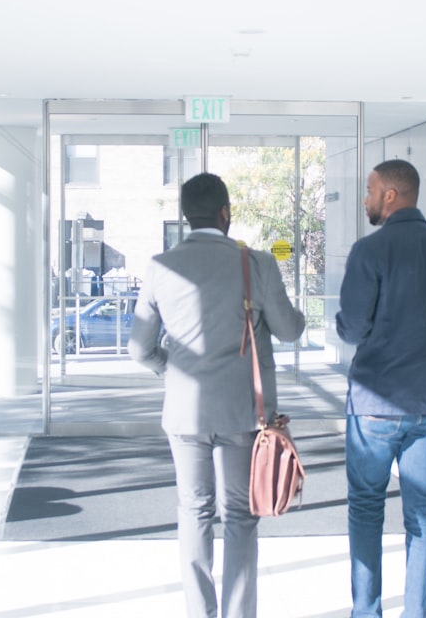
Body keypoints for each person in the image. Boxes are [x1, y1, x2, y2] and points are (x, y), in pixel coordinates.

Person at [128, 172, 305, 618]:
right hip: (242, 412)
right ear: (226, 213)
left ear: (186, 216)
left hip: (184, 413)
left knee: (194, 512)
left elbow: (139, 348)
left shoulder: (159, 267)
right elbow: (289, 330)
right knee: (240, 516)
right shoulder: (257, 263)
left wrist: (169, 368)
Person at [336, 159, 426, 618]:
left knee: (365, 509)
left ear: (391, 195)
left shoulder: (368, 251)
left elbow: (353, 328)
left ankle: (367, 613)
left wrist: (364, 333)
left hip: (375, 403)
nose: (366, 199)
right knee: (422, 516)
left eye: (370, 190)